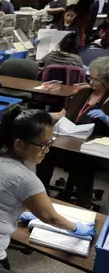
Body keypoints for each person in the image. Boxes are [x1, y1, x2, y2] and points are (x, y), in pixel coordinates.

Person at [0, 107, 95, 269]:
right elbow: (50, 217)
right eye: (43, 144)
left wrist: (22, 211)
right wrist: (76, 228)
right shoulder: (25, 179)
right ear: (19, 144)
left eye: (50, 143)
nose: (47, 150)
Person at [39, 57, 109, 208]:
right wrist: (41, 115)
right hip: (68, 140)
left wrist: (107, 119)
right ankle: (40, 195)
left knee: (83, 163)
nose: (91, 82)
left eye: (97, 80)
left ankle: (83, 205)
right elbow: (61, 114)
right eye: (91, 77)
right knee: (44, 152)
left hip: (93, 147)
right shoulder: (83, 93)